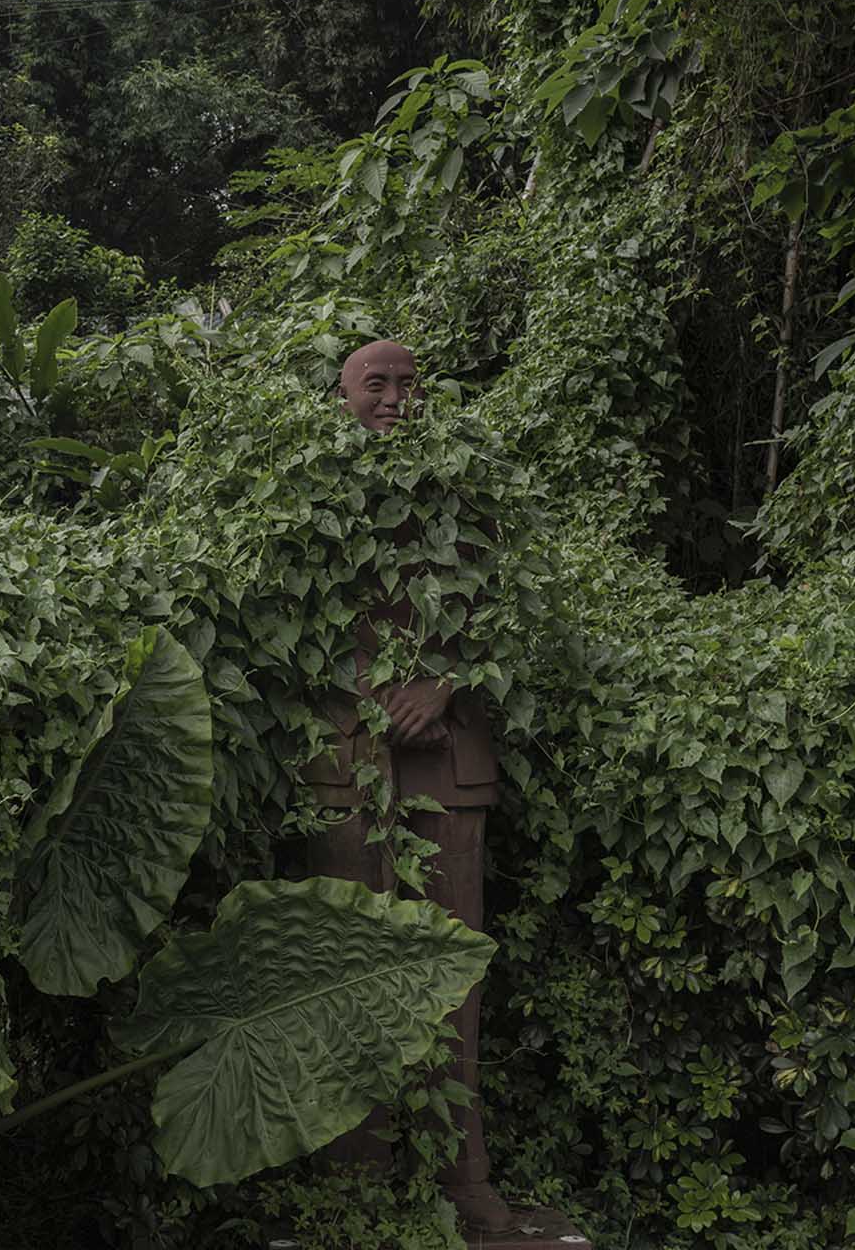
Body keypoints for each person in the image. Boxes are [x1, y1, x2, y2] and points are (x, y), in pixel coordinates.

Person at [306, 338, 513, 1233]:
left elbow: (515, 613)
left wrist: (446, 682)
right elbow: (272, 619)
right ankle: (352, 1181)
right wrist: (367, 696)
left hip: (449, 766)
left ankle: (460, 1179)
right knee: (344, 970)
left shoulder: (468, 488)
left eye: (407, 383)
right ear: (339, 396)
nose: (393, 398)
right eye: (373, 383)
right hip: (347, 766)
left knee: (453, 972)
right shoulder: (297, 489)